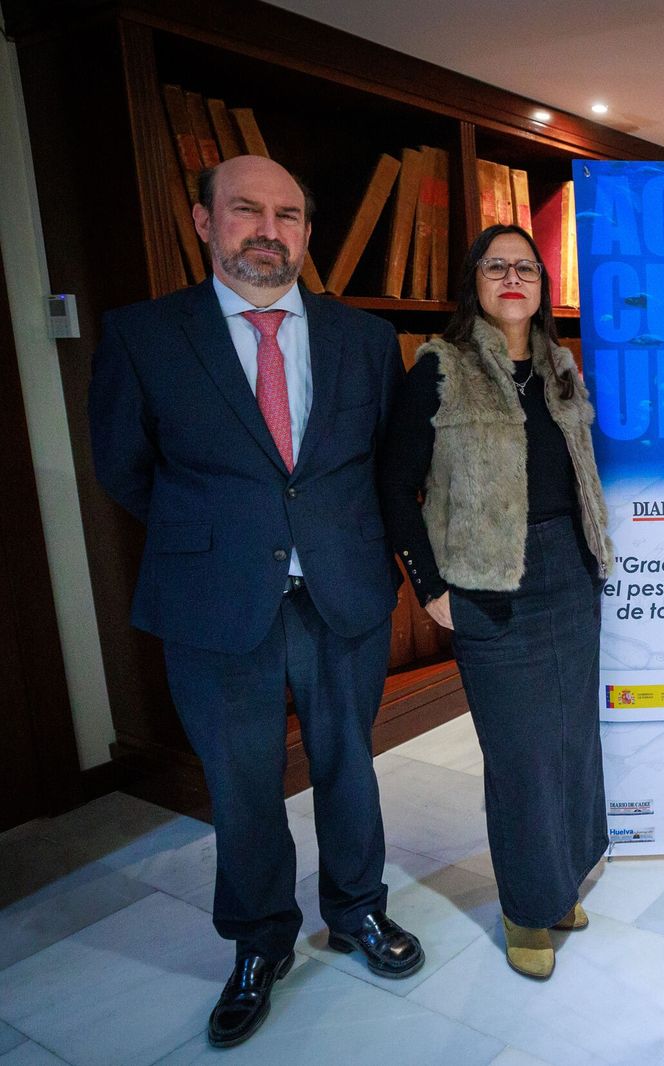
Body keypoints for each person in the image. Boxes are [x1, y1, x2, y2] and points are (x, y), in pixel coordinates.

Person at [89, 155, 422, 1048]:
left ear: (307, 233)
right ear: (203, 222)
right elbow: (124, 465)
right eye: (245, 211)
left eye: (288, 215)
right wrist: (223, 537)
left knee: (349, 764)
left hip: (341, 590)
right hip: (213, 597)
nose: (268, 231)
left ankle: (357, 912)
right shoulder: (144, 336)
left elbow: (385, 464)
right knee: (240, 785)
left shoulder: (363, 338)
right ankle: (259, 942)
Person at [378, 224, 611, 979]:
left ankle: (561, 883)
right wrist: (429, 586)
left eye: (526, 267)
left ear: (543, 288)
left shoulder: (562, 369)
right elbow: (393, 486)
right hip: (488, 586)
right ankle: (523, 909)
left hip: (570, 576)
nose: (513, 277)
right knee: (519, 755)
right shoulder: (438, 370)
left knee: (573, 740)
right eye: (496, 265)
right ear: (473, 281)